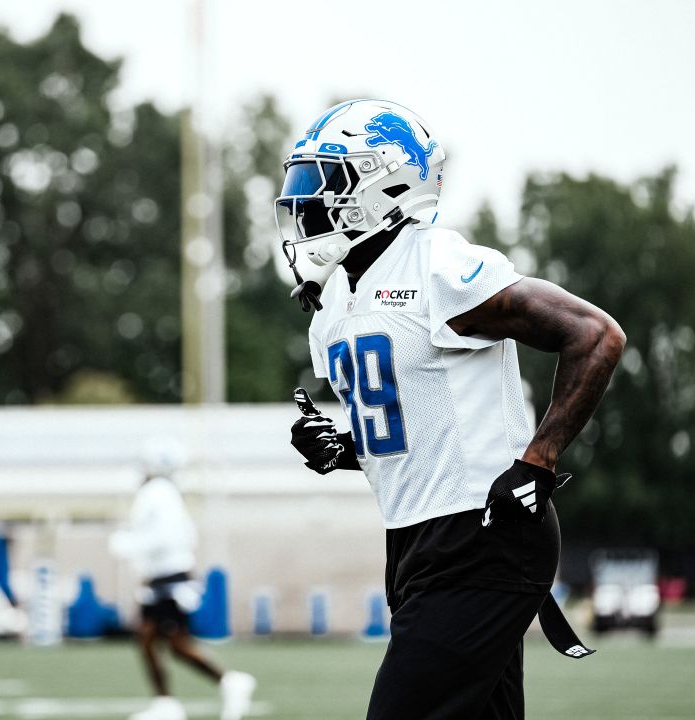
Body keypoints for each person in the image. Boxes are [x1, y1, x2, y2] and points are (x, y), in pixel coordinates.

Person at [279, 99, 625, 719]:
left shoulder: (437, 264)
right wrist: (343, 448)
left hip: (482, 536)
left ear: (385, 184)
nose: (303, 202)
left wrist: (539, 460)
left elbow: (595, 335)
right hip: (415, 543)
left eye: (323, 182)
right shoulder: (332, 304)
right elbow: (419, 432)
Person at [109, 441, 256, 720]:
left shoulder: (157, 493)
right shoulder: (167, 494)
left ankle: (227, 682)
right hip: (165, 577)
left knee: (170, 642)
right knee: (151, 639)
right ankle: (170, 702)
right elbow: (187, 535)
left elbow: (165, 538)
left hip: (167, 578)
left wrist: (129, 545)